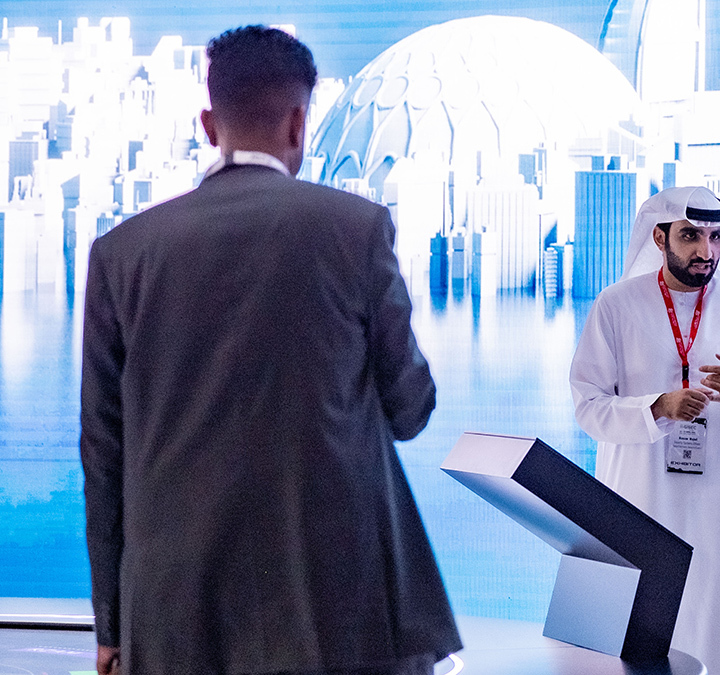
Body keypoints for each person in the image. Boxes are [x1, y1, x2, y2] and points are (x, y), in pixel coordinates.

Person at [80, 26, 461, 675]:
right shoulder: (355, 227)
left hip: (176, 611)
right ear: (299, 122)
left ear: (208, 125)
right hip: (340, 604)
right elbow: (410, 408)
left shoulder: (121, 253)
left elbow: (102, 452)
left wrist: (113, 625)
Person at [569, 186, 720, 675]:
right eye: (691, 236)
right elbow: (588, 407)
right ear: (659, 238)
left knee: (717, 624)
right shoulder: (616, 306)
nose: (706, 251)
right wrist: (658, 406)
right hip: (640, 500)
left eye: (715, 237)